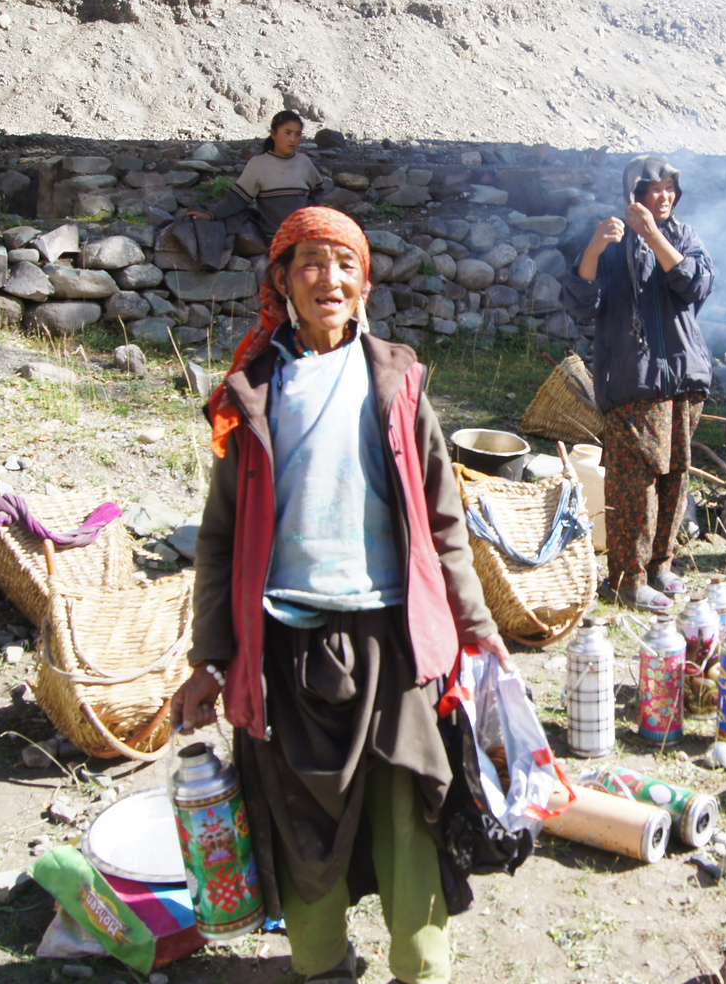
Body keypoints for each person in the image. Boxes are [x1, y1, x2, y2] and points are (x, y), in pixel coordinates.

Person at [169, 206, 512, 984]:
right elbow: (220, 539)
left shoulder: (396, 380)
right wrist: (210, 658)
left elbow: (442, 522)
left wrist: (477, 628)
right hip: (284, 646)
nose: (328, 278)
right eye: (310, 264)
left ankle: (420, 971)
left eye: (343, 264)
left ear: (364, 282)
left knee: (409, 819)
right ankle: (322, 968)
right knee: (300, 833)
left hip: (391, 640)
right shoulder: (252, 393)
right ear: (283, 282)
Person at [563, 155, 715, 611]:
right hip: (633, 378)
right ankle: (628, 578)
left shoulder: (683, 237)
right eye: (654, 189)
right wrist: (592, 249)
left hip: (684, 377)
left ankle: (660, 567)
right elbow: (582, 302)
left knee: (675, 474)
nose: (664, 196)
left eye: (670, 188)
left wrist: (652, 234)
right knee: (636, 481)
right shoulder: (609, 240)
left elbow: (696, 286)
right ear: (634, 194)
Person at [182, 110, 325, 250]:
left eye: (298, 134)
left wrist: (310, 211)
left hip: (304, 236)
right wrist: (211, 215)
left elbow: (318, 190)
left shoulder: (304, 163)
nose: (293, 139)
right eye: (287, 133)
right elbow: (238, 198)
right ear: (273, 134)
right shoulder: (258, 164)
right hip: (276, 239)